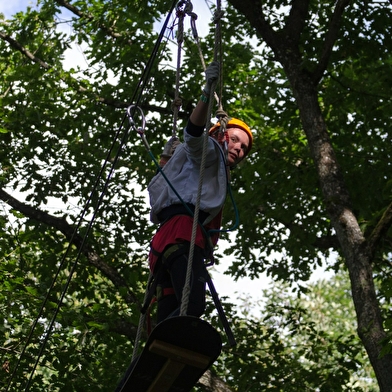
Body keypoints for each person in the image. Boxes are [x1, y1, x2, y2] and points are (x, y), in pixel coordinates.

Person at [148, 62, 253, 324]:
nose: (239, 149)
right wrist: (207, 93)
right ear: (219, 134)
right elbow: (194, 134)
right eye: (235, 140)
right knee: (192, 306)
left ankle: (154, 357)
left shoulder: (210, 172)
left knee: (170, 315)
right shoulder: (211, 151)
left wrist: (166, 160)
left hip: (170, 242)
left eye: (244, 149)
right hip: (182, 235)